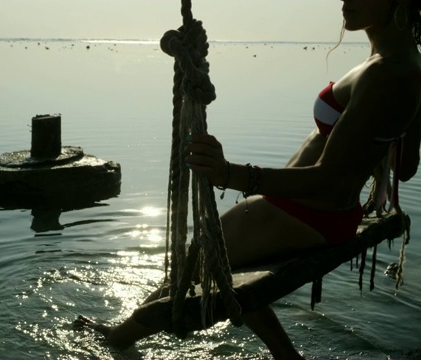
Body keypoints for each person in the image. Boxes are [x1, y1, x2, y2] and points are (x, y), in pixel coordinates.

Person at [75, 0, 421, 359]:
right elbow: (406, 165)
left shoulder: (387, 73)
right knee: (222, 267)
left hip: (309, 210)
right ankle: (285, 357)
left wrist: (231, 174)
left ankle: (115, 341)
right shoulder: (404, 63)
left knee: (198, 265)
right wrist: (373, 141)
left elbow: (328, 180)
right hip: (315, 210)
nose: (346, 1)